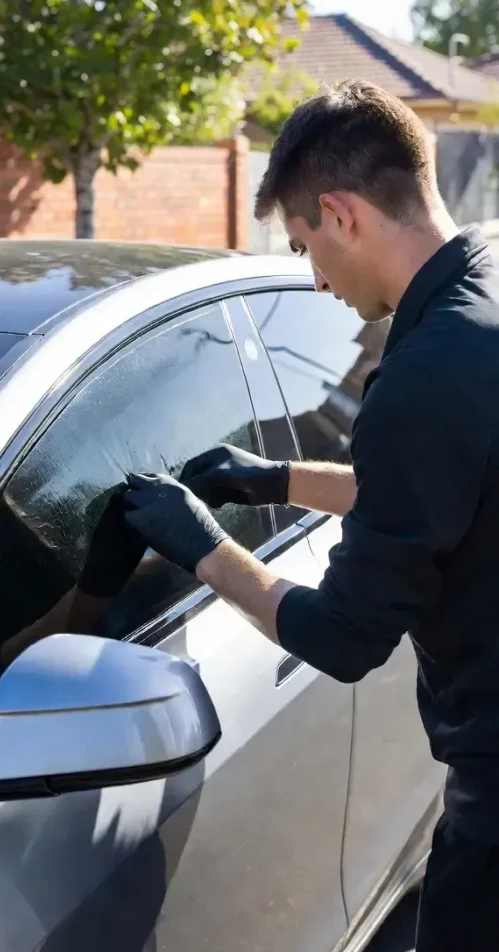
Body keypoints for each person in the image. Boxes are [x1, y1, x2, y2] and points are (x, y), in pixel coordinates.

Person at [123, 80, 499, 952]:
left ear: (339, 211)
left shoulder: (424, 373)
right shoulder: (481, 286)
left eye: (303, 246)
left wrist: (205, 549)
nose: (315, 279)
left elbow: (343, 637)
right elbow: (444, 486)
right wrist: (275, 480)